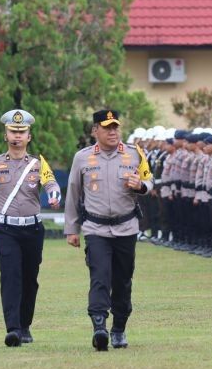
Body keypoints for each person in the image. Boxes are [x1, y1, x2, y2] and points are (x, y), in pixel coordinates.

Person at [63, 110, 153, 351]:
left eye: (115, 127)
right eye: (107, 128)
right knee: (100, 277)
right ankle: (99, 326)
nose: (113, 132)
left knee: (123, 281)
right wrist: (71, 228)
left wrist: (141, 186)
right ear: (95, 131)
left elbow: (149, 180)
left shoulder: (135, 154)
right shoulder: (82, 158)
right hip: (96, 228)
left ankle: (119, 328)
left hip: (126, 228)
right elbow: (73, 194)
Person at [0, 109, 61, 347]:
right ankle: (13, 329)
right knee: (10, 277)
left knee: (30, 278)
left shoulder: (38, 164)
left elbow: (51, 183)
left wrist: (54, 195)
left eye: (22, 132)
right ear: (5, 135)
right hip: (6, 230)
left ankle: (25, 324)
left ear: (29, 136)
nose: (17, 136)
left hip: (32, 230)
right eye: (12, 132)